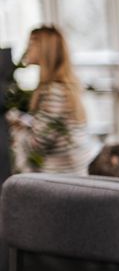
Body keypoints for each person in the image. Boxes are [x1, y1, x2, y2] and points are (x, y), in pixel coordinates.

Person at [5, 25, 99, 174]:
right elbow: (48, 127)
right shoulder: (61, 87)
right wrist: (25, 121)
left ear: (44, 50)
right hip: (75, 168)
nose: (27, 49)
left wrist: (16, 130)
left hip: (65, 175)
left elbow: (38, 144)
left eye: (31, 44)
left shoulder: (53, 92)